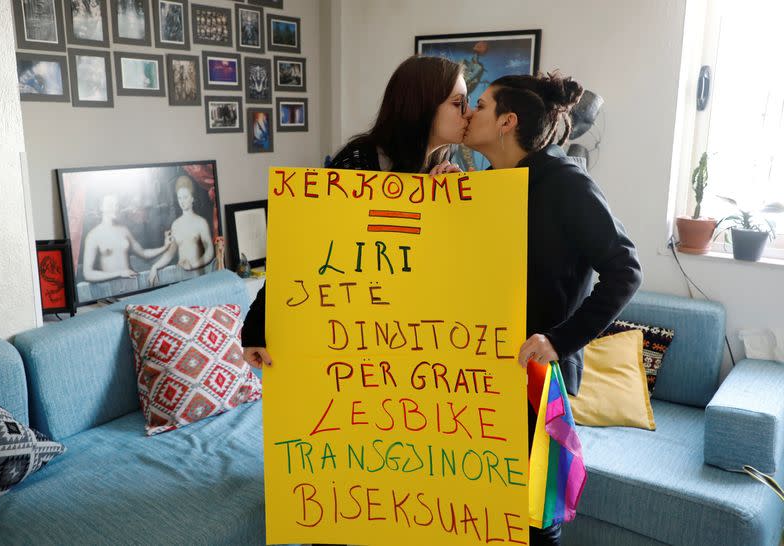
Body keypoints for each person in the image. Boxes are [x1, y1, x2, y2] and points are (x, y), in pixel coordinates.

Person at [462, 71, 643, 545]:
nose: (469, 114)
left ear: (507, 121)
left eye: (479, 105)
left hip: (540, 380)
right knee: (485, 516)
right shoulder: (490, 183)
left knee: (533, 522)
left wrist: (557, 340)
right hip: (485, 371)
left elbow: (626, 270)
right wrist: (445, 200)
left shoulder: (566, 184)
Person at [241, 54, 472, 372]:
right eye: (458, 102)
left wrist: (455, 209)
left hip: (417, 335)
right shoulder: (358, 161)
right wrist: (256, 325)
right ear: (423, 105)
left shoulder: (445, 169)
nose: (468, 113)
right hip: (358, 333)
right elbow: (303, 246)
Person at [81, 194, 171, 283]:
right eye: (110, 204)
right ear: (101, 207)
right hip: (111, 289)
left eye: (116, 204)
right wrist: (119, 273)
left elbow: (143, 253)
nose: (114, 208)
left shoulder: (124, 230)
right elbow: (88, 274)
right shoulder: (93, 236)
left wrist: (165, 247)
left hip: (132, 283)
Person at [149, 175, 215, 285]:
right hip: (180, 277)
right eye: (179, 198)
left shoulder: (201, 222)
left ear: (192, 198)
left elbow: (210, 251)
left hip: (198, 275)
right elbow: (170, 254)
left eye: (185, 197)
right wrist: (154, 267)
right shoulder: (175, 225)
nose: (182, 201)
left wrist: (194, 264)